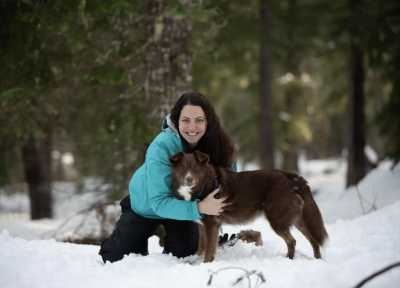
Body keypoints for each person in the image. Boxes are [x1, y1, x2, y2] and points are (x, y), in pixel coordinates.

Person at [99, 92, 237, 263]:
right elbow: (159, 202)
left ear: (208, 121)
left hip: (187, 208)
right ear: (177, 120)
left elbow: (230, 183)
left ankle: (212, 241)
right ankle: (134, 241)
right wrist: (200, 207)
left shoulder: (220, 144)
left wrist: (212, 212)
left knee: (184, 253)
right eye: (186, 120)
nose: (192, 128)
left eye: (199, 120)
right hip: (148, 204)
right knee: (115, 258)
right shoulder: (162, 145)